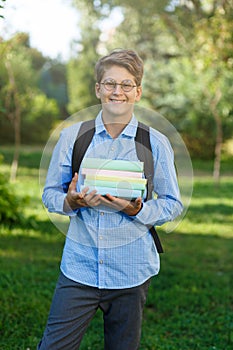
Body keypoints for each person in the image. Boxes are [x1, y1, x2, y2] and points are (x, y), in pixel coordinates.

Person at [38, 49, 183, 350]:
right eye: (110, 83)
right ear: (98, 89)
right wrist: (73, 201)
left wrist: (138, 209)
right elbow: (50, 195)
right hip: (79, 269)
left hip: (131, 272)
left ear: (138, 92)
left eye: (126, 84)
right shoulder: (72, 138)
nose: (118, 91)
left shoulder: (154, 143)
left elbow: (172, 203)